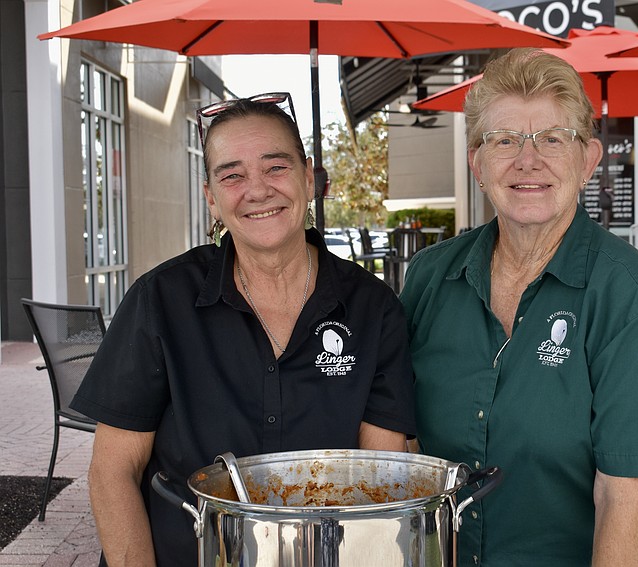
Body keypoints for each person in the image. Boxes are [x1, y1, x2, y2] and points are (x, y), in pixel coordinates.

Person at [71, 93, 416, 566]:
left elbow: (380, 484)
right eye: (232, 175)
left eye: (276, 167)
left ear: (308, 176)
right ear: (212, 196)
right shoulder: (160, 301)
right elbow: (112, 471)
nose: (257, 190)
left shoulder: (374, 310)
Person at [399, 49, 638, 566]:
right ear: (478, 163)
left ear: (588, 161)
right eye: (505, 140)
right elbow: (397, 444)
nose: (527, 159)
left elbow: (623, 502)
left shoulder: (636, 305)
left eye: (552, 140)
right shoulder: (429, 278)